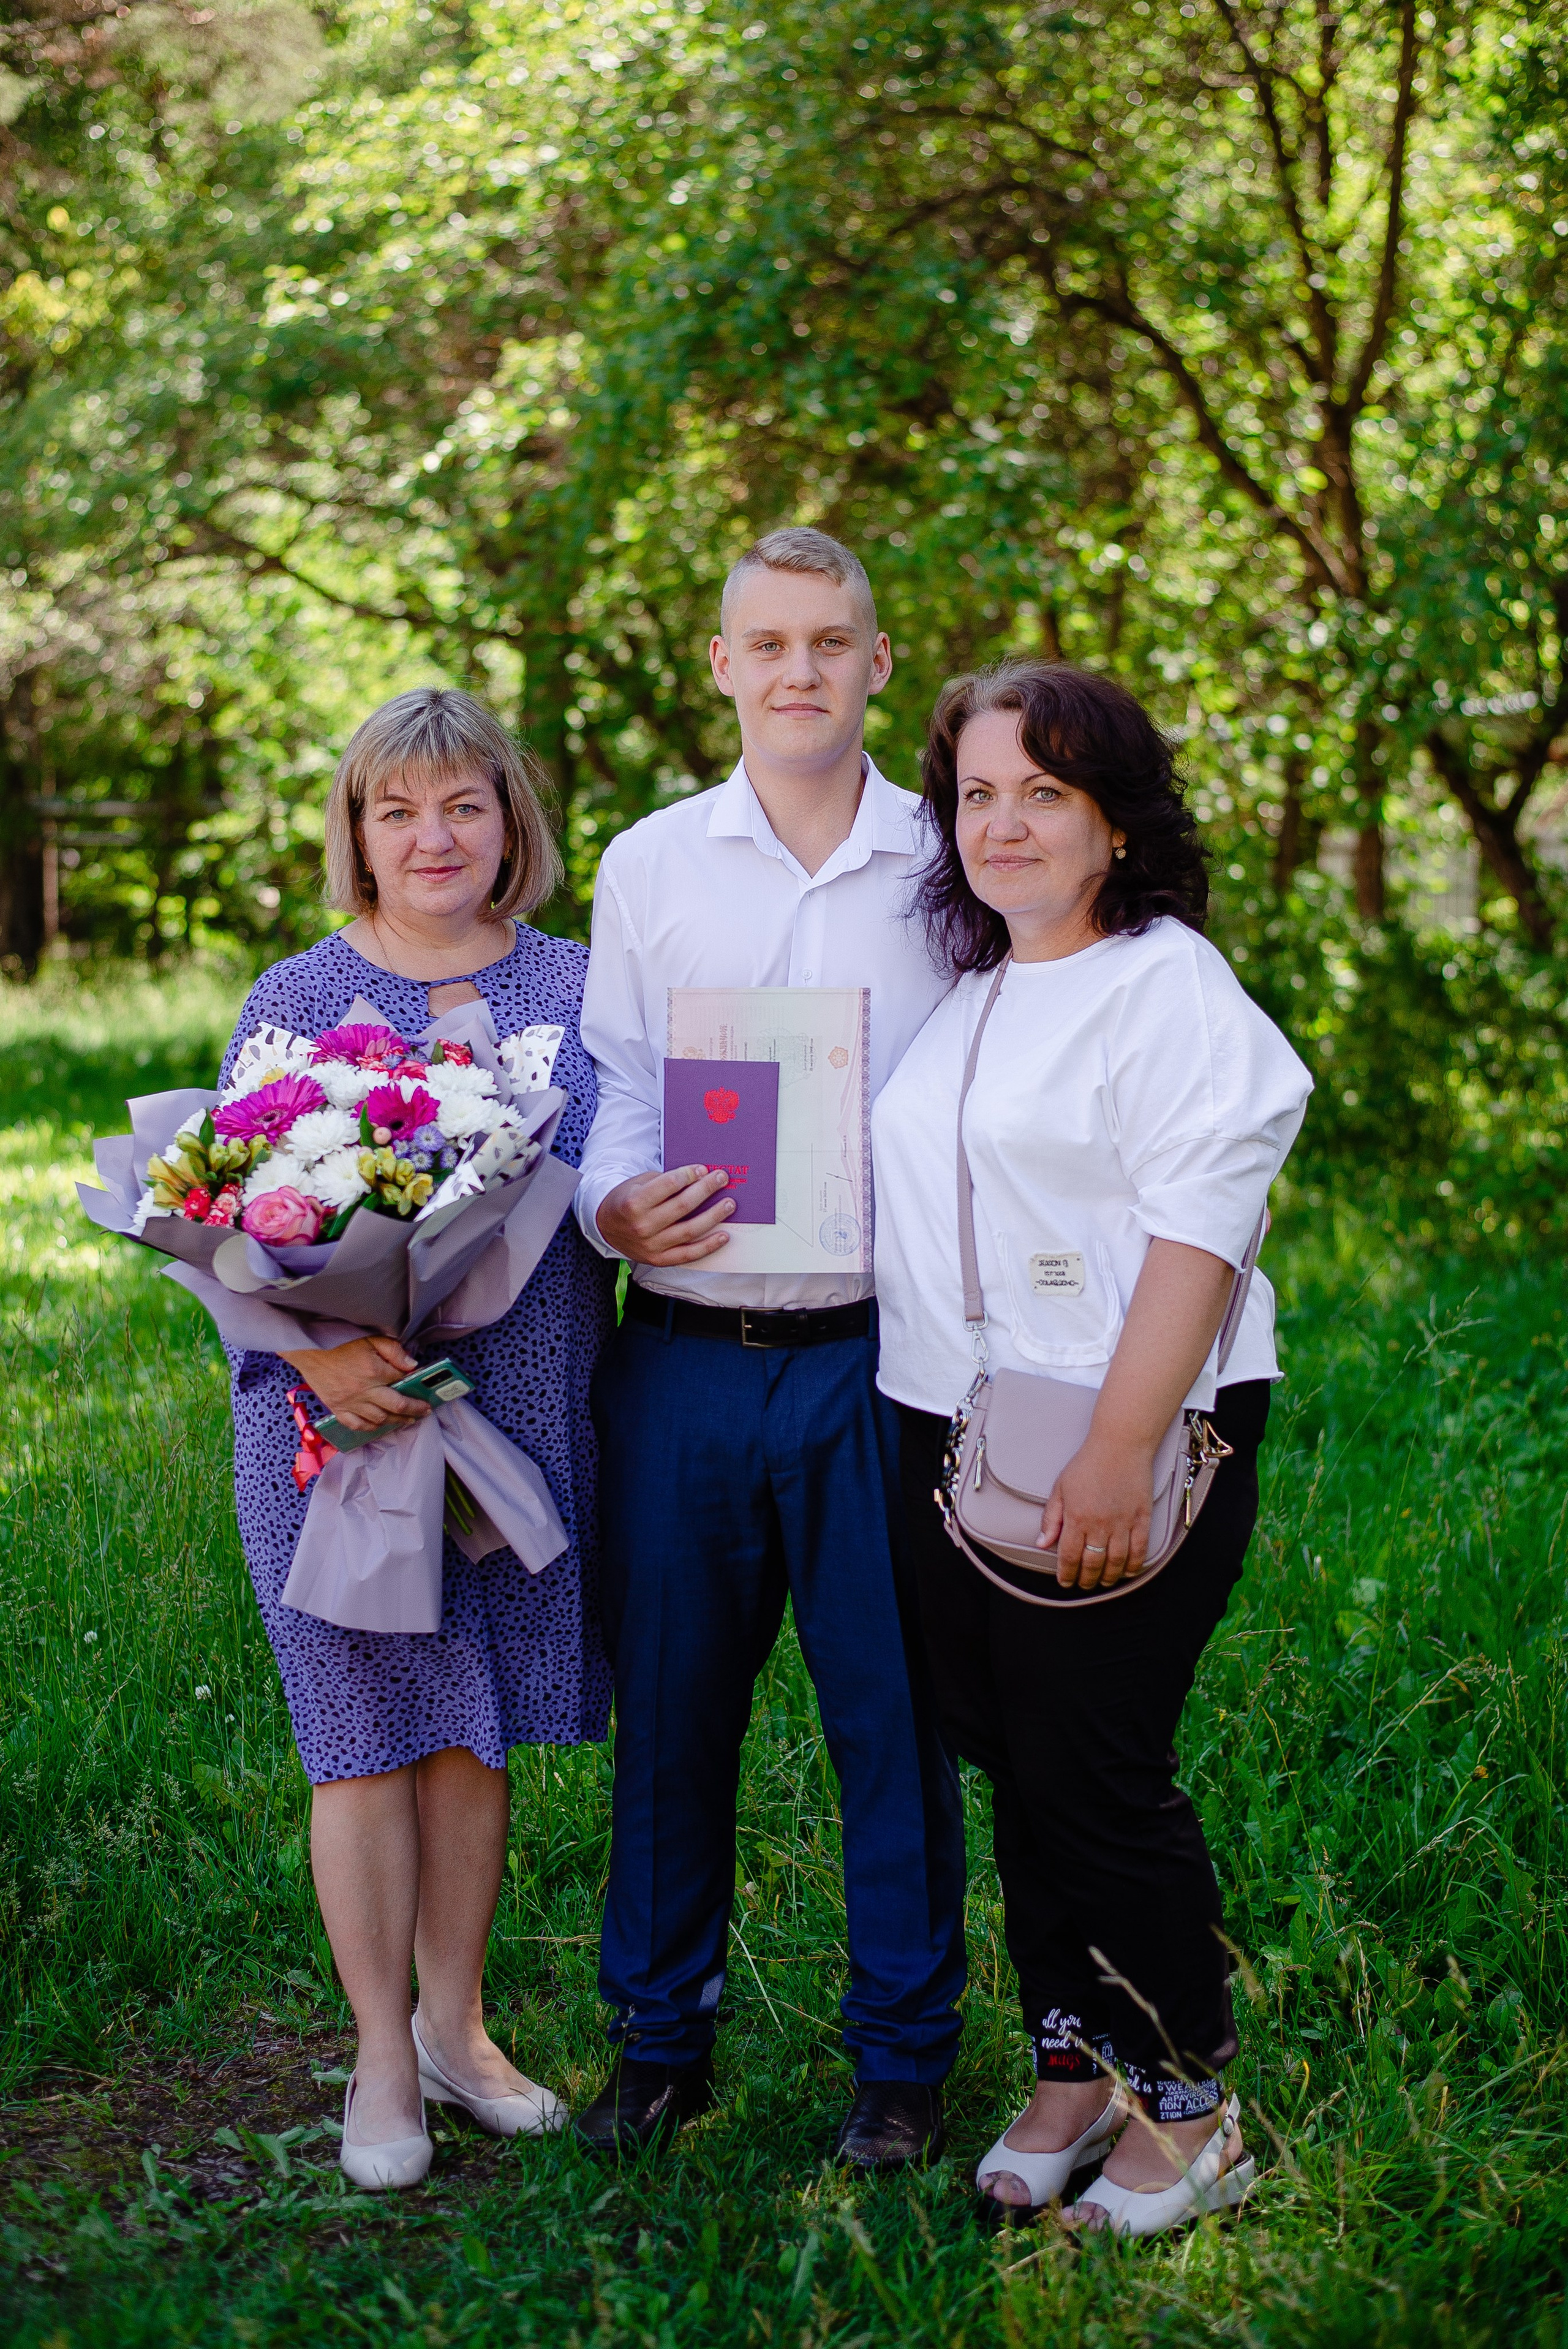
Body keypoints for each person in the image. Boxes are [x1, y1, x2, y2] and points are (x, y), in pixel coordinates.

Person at [872, 660, 1311, 2234]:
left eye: (1042, 794)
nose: (1002, 824)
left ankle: (1188, 2110)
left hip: (1116, 1428)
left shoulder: (1162, 984)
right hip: (944, 1424)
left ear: (1114, 821)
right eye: (976, 795)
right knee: (1015, 1759)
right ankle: (1073, 2067)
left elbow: (1205, 1223)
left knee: (1096, 1771)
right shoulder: (983, 986)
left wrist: (1122, 1447)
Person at [571, 527, 967, 2166]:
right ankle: (658, 2046)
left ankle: (903, 2062)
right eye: (769, 642)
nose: (798, 669)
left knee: (892, 1716)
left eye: (829, 641)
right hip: (681, 1358)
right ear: (722, 666)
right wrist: (613, 1209)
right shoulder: (652, 862)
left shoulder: (954, 857)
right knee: (672, 1718)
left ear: (878, 663)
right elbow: (618, 1091)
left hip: (881, 1361)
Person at [219, 687, 617, 2190]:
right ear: (358, 833)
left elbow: (630, 1172)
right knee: (362, 1736)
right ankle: (381, 2055)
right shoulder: (298, 996)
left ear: (511, 822)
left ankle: (459, 2031)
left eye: (462, 804)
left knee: (472, 1728)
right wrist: (318, 1353)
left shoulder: (582, 988)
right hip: (334, 1425)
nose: (431, 836)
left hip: (516, 1414)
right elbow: (225, 1216)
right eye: (397, 810)